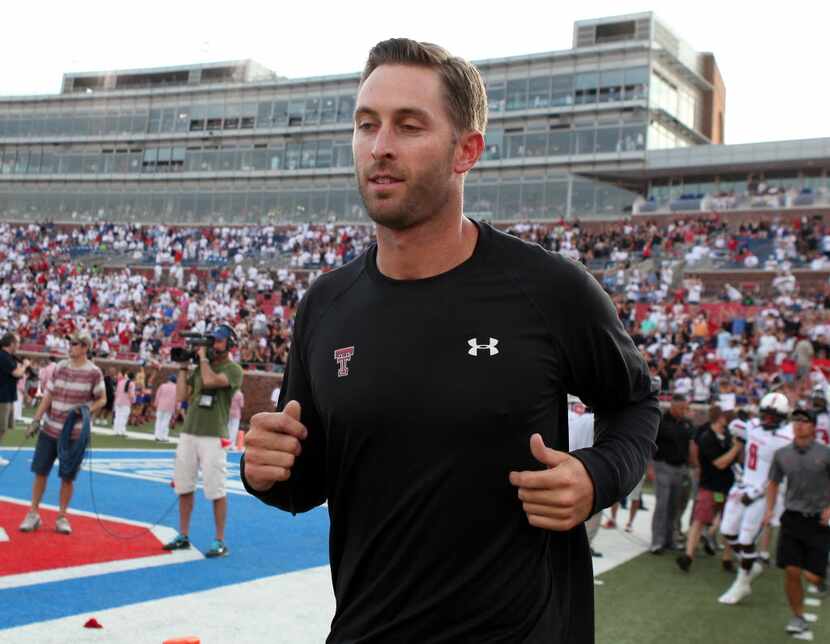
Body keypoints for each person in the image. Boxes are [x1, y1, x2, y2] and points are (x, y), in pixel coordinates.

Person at [241, 39, 659, 643]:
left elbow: (636, 402)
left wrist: (599, 476)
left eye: (409, 126)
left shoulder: (548, 289)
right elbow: (309, 482)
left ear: (466, 150)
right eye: (367, 124)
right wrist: (267, 472)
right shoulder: (325, 307)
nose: (380, 145)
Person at [162, 324, 243, 558]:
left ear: (229, 344)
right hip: (189, 432)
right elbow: (180, 396)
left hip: (213, 435)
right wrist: (184, 369)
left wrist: (202, 359)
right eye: (211, 340)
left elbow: (210, 382)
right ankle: (183, 534)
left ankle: (220, 540)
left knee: (216, 488)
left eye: (217, 341)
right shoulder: (200, 368)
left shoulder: (233, 369)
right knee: (184, 485)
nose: (212, 345)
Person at [19, 332, 105, 535]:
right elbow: (49, 394)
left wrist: (85, 411)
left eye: (74, 343)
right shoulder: (59, 367)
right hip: (50, 428)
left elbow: (102, 399)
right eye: (70, 342)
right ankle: (33, 513)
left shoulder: (94, 372)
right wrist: (36, 419)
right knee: (40, 472)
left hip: (73, 434)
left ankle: (62, 516)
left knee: (67, 477)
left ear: (85, 347)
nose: (70, 346)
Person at [718, 392, 793, 605]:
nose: (767, 419)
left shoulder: (786, 439)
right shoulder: (752, 425)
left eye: (773, 416)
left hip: (763, 492)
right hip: (742, 485)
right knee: (727, 531)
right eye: (765, 415)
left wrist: (758, 493)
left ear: (782, 416)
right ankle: (751, 564)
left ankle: (742, 583)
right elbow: (734, 426)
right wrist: (733, 412)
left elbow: (781, 476)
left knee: (746, 539)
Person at [763, 407, 830, 635]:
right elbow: (773, 482)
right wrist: (769, 510)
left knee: (811, 575)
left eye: (803, 421)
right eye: (795, 421)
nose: (798, 424)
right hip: (792, 518)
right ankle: (798, 616)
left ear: (813, 426)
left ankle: (820, 579)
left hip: (818, 521)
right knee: (791, 571)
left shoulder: (825, 453)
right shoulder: (782, 454)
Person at [676, 406, 741, 572]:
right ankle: (688, 555)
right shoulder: (707, 438)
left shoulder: (727, 436)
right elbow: (720, 463)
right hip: (711, 486)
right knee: (699, 520)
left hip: (726, 487)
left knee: (728, 522)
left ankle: (726, 557)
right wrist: (736, 448)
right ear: (720, 418)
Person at [650, 395, 694, 554]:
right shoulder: (660, 420)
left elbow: (690, 445)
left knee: (675, 506)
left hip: (680, 468)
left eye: (686, 408)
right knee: (662, 505)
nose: (685, 411)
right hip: (663, 466)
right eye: (682, 408)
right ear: (674, 407)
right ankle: (657, 542)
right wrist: (649, 467)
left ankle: (670, 540)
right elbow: (650, 443)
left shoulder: (687, 423)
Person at [0, 333, 30, 466]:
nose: (18, 345)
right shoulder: (3, 356)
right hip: (2, 397)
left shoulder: (9, 357)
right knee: (1, 428)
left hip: (7, 396)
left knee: (3, 428)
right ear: (11, 343)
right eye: (17, 342)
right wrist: (25, 365)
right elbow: (17, 373)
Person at [153, 374, 178, 442]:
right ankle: (163, 436)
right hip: (170, 406)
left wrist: (156, 404)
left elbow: (157, 395)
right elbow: (177, 399)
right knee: (165, 421)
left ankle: (157, 436)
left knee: (158, 421)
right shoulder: (176, 387)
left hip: (160, 405)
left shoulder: (162, 385)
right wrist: (177, 407)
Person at [112, 370, 135, 437]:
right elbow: (131, 394)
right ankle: (121, 431)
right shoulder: (131, 383)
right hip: (126, 402)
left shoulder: (121, 382)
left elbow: (116, 392)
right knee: (123, 417)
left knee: (117, 417)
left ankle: (116, 431)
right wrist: (133, 401)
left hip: (118, 401)